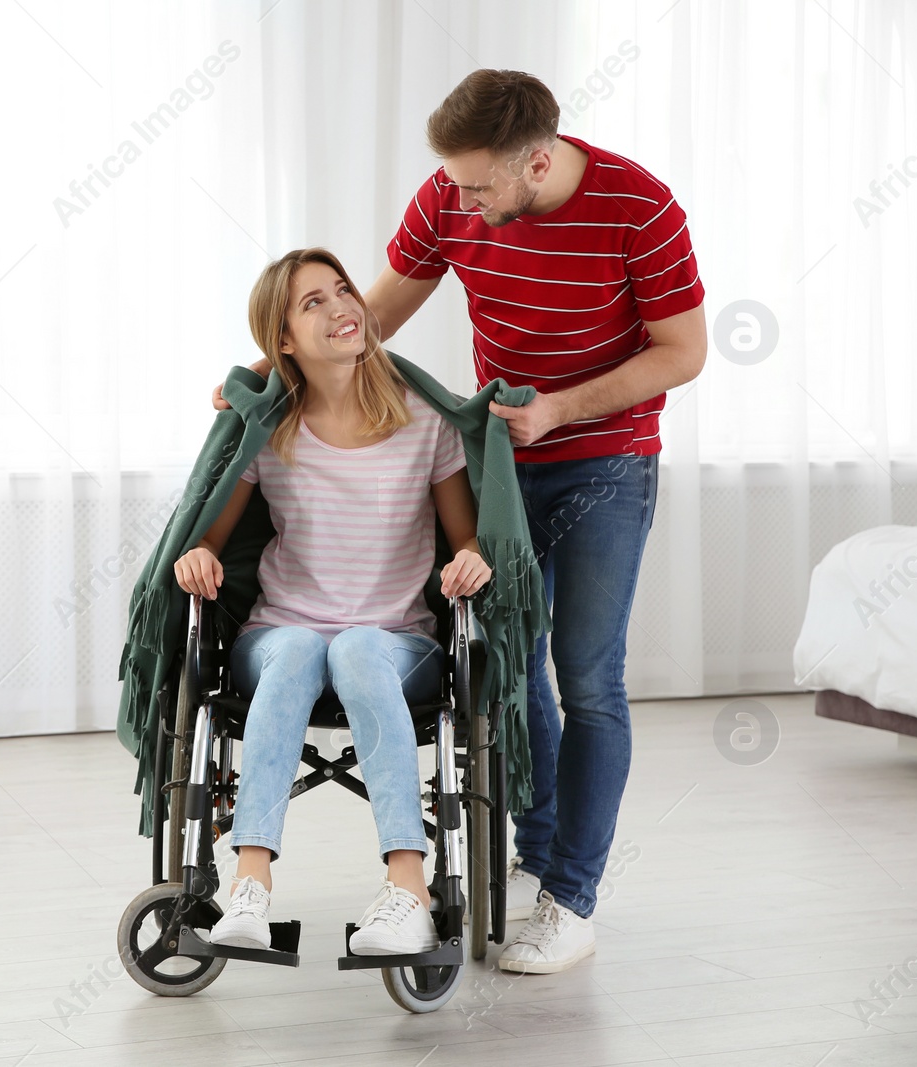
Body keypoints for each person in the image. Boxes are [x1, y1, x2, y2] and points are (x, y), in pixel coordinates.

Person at [212, 70, 706, 974]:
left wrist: (562, 409)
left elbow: (684, 351)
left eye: (481, 187)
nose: (464, 204)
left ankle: (573, 898)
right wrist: (261, 378)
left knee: (588, 674)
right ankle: (536, 849)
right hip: (498, 458)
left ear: (538, 161)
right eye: (457, 186)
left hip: (605, 461)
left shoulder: (639, 207)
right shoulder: (452, 191)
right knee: (509, 662)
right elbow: (374, 313)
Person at [177, 247, 492, 956]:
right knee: (296, 646)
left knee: (351, 645)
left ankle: (407, 888)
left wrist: (470, 557)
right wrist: (197, 553)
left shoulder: (425, 420)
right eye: (312, 302)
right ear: (283, 339)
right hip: (282, 635)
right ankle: (249, 886)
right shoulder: (271, 430)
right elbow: (213, 537)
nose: (341, 306)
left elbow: (464, 537)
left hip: (392, 641)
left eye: (342, 290)